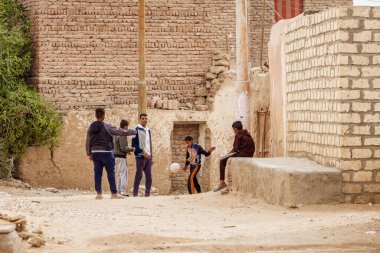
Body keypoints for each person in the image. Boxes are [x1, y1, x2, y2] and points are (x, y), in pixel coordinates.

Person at [85, 108, 136, 200]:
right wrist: (132, 131)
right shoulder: (107, 126)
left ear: (96, 115)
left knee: (97, 173)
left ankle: (99, 194)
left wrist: (89, 153)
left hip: (95, 152)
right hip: (106, 152)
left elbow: (88, 140)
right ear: (104, 115)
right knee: (110, 173)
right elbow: (119, 131)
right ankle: (113, 194)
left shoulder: (91, 126)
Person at [214, 121, 255, 192]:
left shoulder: (238, 134)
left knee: (222, 160)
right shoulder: (246, 133)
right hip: (249, 154)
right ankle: (222, 183)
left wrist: (227, 155)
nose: (233, 131)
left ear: (235, 129)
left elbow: (235, 149)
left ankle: (222, 183)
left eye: (233, 130)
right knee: (225, 158)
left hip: (243, 154)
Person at [131, 113, 153, 197]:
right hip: (140, 156)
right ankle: (135, 194)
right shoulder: (135, 130)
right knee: (139, 175)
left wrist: (151, 156)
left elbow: (149, 144)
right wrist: (143, 152)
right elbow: (133, 144)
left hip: (149, 157)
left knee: (149, 177)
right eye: (143, 118)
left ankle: (147, 195)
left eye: (146, 118)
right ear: (140, 119)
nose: (144, 120)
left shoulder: (148, 130)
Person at [113, 119, 135, 197]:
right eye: (127, 126)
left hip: (115, 157)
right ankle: (122, 191)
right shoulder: (123, 133)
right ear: (125, 126)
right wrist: (131, 149)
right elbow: (123, 148)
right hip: (121, 157)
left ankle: (118, 191)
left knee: (118, 174)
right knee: (123, 174)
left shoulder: (115, 133)